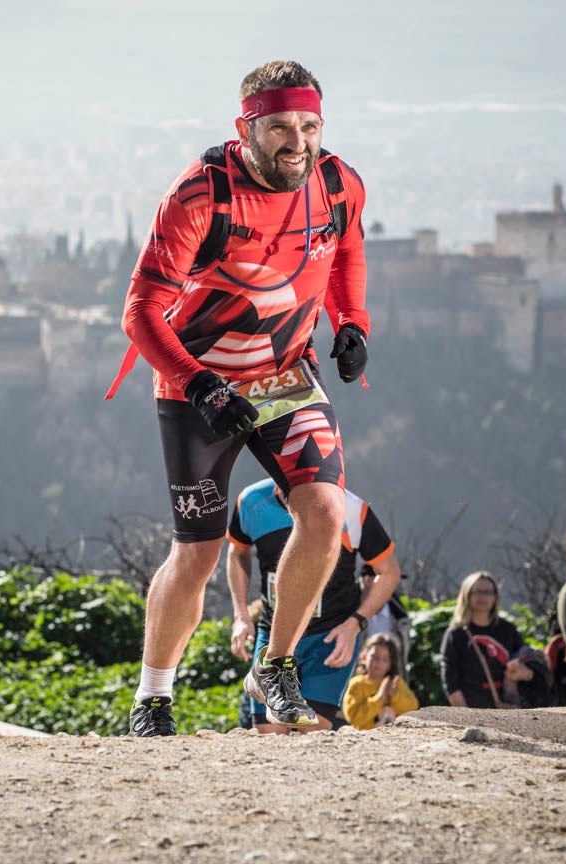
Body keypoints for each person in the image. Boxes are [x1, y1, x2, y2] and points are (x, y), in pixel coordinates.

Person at [112, 60, 372, 737]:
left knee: (324, 510)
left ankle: (277, 664)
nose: (298, 142)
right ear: (245, 128)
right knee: (197, 552)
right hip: (196, 384)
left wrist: (352, 324)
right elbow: (141, 310)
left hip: (286, 373)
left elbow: (344, 255)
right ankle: (153, 698)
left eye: (309, 126)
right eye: (281, 128)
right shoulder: (201, 195)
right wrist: (199, 383)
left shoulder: (338, 184)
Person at [227, 478, 400, 733]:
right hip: (274, 632)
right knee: (270, 734)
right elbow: (237, 553)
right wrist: (241, 615)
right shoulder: (251, 501)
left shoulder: (350, 507)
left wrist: (355, 624)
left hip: (329, 636)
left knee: (313, 731)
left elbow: (389, 572)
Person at [440, 572, 537, 709]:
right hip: (472, 709)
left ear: (495, 597)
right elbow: (450, 680)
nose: (482, 597)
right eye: (477, 591)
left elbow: (526, 663)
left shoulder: (508, 630)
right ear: (466, 595)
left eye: (488, 592)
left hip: (507, 709)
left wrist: (525, 674)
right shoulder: (455, 634)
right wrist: (464, 714)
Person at [343, 633, 420, 730]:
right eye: (374, 657)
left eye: (385, 659)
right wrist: (378, 698)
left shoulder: (395, 683)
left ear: (390, 664)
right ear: (364, 657)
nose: (379, 662)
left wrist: (395, 696)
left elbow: (413, 708)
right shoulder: (357, 684)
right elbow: (354, 718)